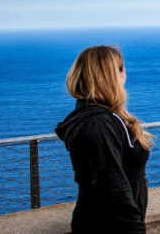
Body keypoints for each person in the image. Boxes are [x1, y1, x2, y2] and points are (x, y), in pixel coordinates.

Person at [55, 45, 153, 234]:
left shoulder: (98, 118)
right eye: (121, 68)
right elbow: (112, 189)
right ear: (111, 75)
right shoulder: (99, 124)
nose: (125, 74)